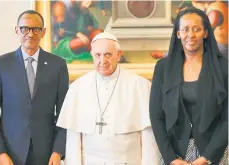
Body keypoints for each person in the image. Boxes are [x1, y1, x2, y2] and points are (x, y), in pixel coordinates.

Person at [56, 32, 159, 165]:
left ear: (119, 55)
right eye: (98, 55)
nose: (102, 61)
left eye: (108, 54)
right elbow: (73, 139)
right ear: (92, 55)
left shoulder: (140, 85)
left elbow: (149, 139)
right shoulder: (78, 87)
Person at [150, 7, 228, 165]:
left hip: (215, 152)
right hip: (174, 153)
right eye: (185, 29)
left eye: (197, 29)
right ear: (178, 34)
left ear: (206, 33)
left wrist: (207, 157)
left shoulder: (223, 67)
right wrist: (170, 158)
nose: (190, 35)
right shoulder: (163, 68)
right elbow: (156, 115)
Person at [0, 10, 69, 165]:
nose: (30, 34)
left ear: (44, 32)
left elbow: (64, 114)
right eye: (24, 29)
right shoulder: (1, 65)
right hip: (11, 155)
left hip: (46, 155)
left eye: (36, 29)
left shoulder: (58, 65)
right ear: (17, 30)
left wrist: (58, 151)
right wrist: (0, 153)